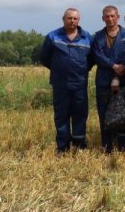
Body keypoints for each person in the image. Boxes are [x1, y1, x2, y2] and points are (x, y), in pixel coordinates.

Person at [40, 8, 94, 152]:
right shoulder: (52, 37)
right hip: (60, 84)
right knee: (61, 116)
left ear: (79, 20)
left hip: (79, 84)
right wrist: (59, 68)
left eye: (75, 18)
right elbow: (44, 58)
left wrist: (81, 69)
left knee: (80, 115)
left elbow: (91, 59)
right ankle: (62, 148)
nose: (72, 21)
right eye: (69, 18)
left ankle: (79, 146)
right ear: (63, 19)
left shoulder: (87, 38)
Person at [92, 5, 125, 153]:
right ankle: (107, 147)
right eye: (107, 16)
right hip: (103, 81)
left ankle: (124, 148)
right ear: (103, 18)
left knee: (122, 116)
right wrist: (113, 66)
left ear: (118, 17)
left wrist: (116, 76)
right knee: (103, 116)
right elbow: (98, 56)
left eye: (112, 16)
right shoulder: (97, 36)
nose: (110, 19)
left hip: (121, 81)